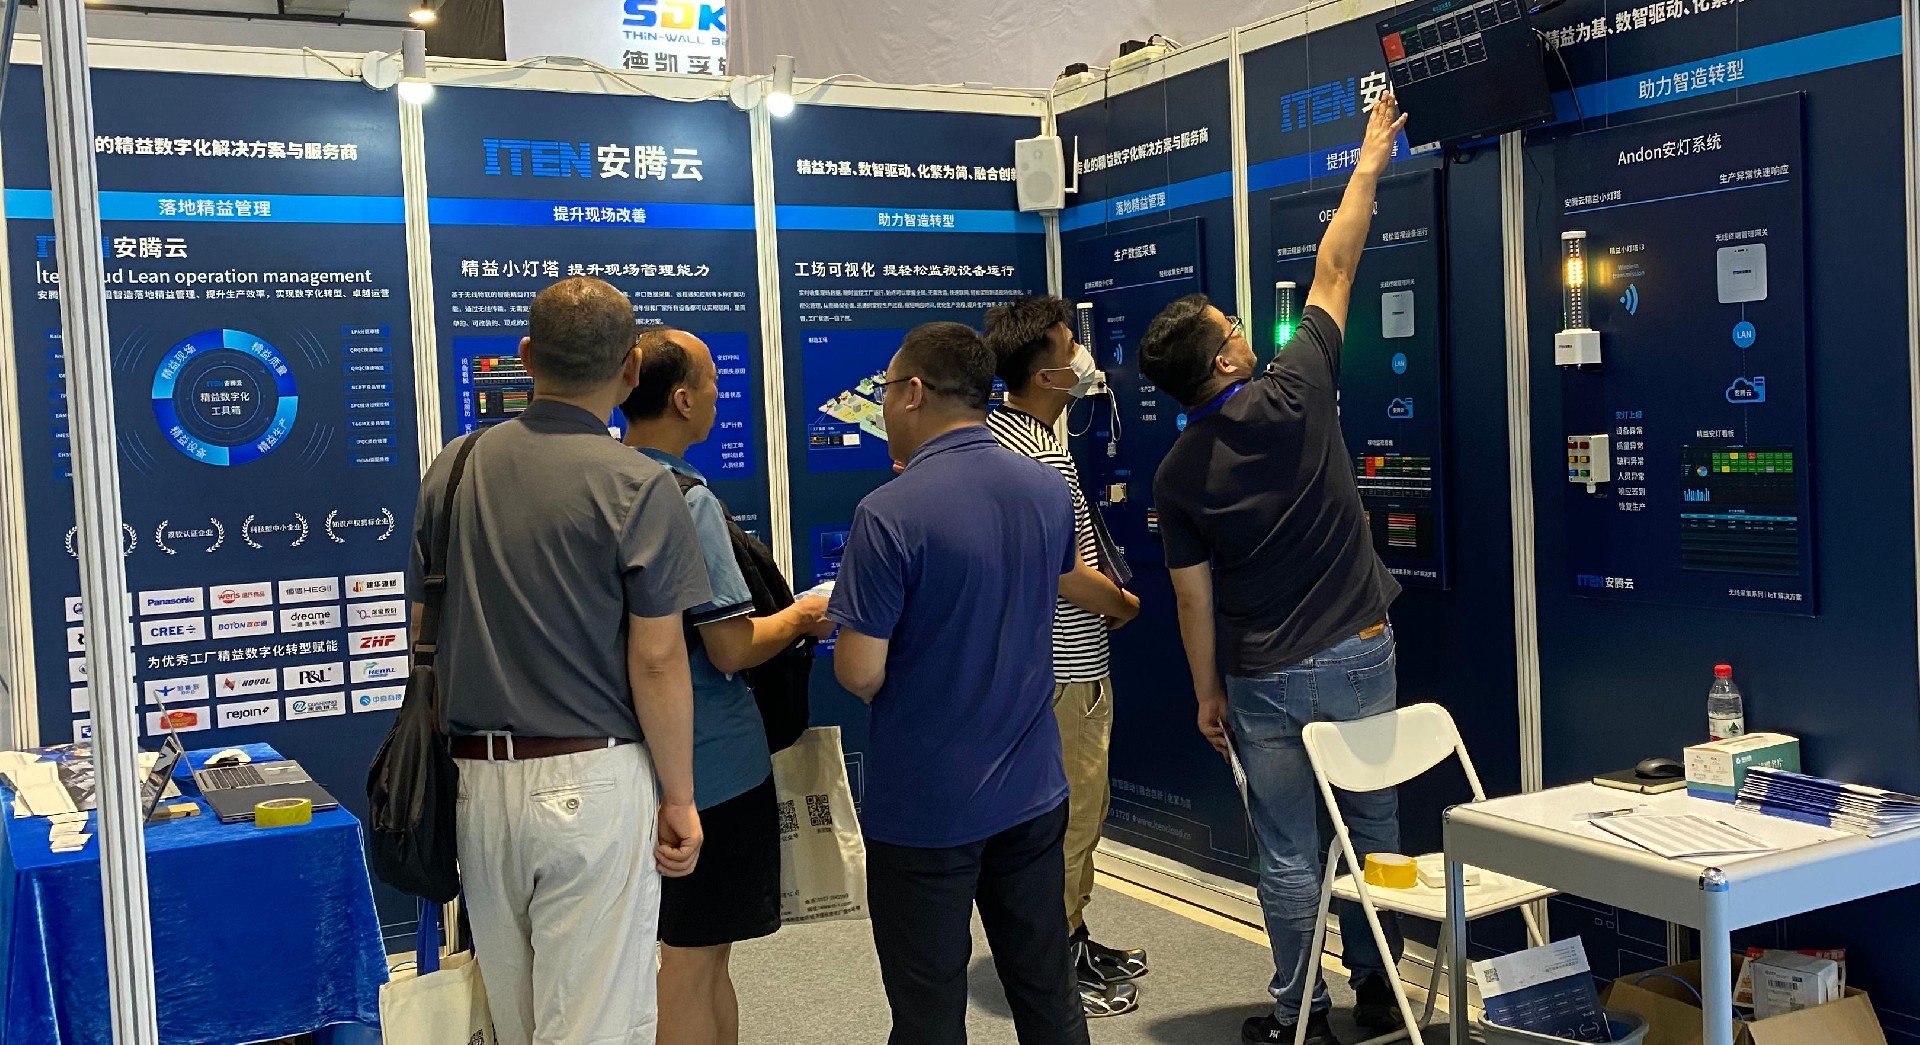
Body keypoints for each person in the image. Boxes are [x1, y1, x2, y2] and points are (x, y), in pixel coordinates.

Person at [1138, 93, 1410, 1045]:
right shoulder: (1299, 387)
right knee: (1374, 825)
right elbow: (1337, 265)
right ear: (1224, 361)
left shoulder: (1178, 473)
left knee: (1289, 849)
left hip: (1262, 677)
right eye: (1233, 326)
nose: (1245, 328)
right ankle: (1384, 990)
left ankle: (1300, 1012)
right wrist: (1368, 160)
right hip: (1360, 652)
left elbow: (1191, 599)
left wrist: (1206, 691)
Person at [410, 276, 711, 1045]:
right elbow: (657, 660)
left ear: (525, 356)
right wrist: (679, 797)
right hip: (594, 778)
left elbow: (425, 630)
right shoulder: (639, 484)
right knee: (594, 1023)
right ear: (631, 367)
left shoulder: (453, 467)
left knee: (516, 1021)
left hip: (477, 784)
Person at [827, 322, 1090, 1045]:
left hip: (926, 802)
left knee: (929, 1011)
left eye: (884, 390)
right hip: (1033, 787)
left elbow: (859, 670)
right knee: (1047, 989)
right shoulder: (1046, 485)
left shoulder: (888, 512)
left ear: (913, 391)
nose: (882, 405)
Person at [619, 327, 834, 1045]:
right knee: (693, 959)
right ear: (683, 399)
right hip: (712, 765)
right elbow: (730, 645)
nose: (719, 393)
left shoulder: (603, 483)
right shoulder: (686, 498)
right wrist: (802, 615)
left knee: (699, 956)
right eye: (712, 381)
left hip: (628, 761)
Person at [982, 296, 1148, 1018]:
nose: (1084, 354)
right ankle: (1054, 963)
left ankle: (1068, 937)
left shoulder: (998, 439)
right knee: (1074, 815)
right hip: (1068, 666)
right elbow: (1064, 572)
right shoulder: (1043, 457)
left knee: (1057, 816)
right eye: (1071, 343)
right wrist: (1122, 604)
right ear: (1047, 374)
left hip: (1028, 665)